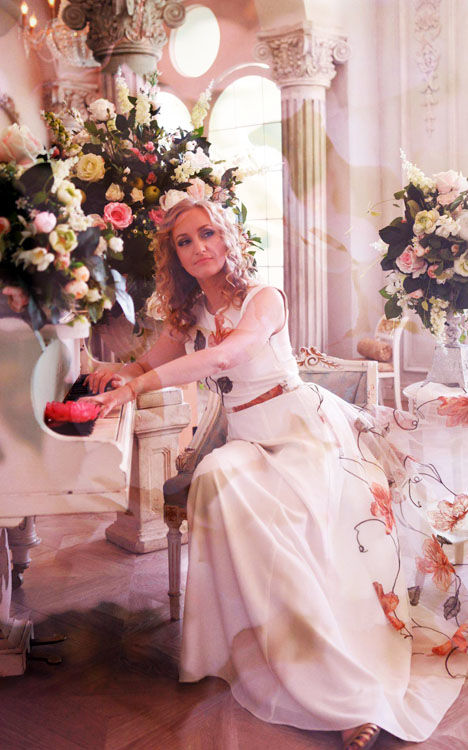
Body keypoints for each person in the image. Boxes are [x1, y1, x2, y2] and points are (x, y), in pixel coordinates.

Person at [82, 198, 467, 749]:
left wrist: (137, 387)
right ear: (174, 255)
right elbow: (144, 363)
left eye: (207, 233)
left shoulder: (264, 298)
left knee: (290, 526)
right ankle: (230, 645)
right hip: (250, 439)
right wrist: (110, 374)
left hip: (305, 435)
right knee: (215, 476)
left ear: (228, 237)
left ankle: (348, 697)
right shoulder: (189, 314)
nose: (198, 248)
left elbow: (224, 358)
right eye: (184, 241)